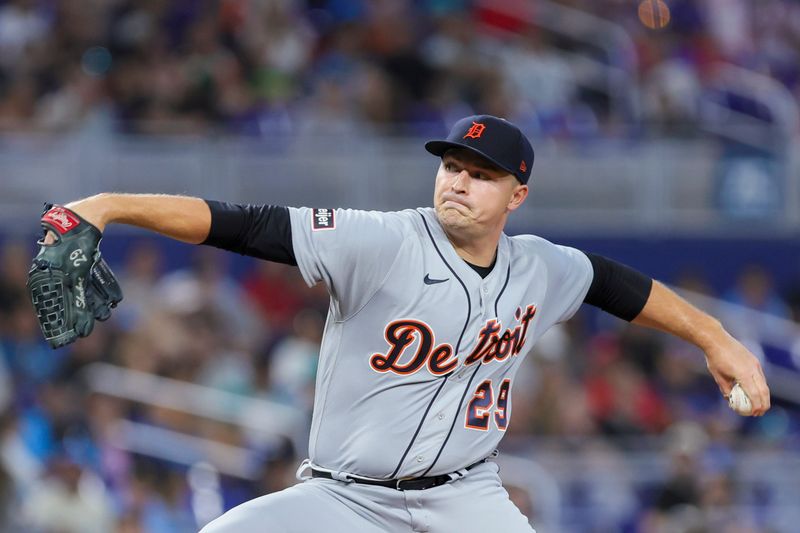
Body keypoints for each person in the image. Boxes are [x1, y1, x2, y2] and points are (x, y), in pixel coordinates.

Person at [49, 115, 770, 532]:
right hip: (343, 496)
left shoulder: (540, 267)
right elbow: (246, 227)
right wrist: (110, 203)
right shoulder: (382, 239)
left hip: (467, 497)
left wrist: (717, 337)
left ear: (517, 194)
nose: (457, 180)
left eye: (480, 173)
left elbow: (617, 283)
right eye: (451, 165)